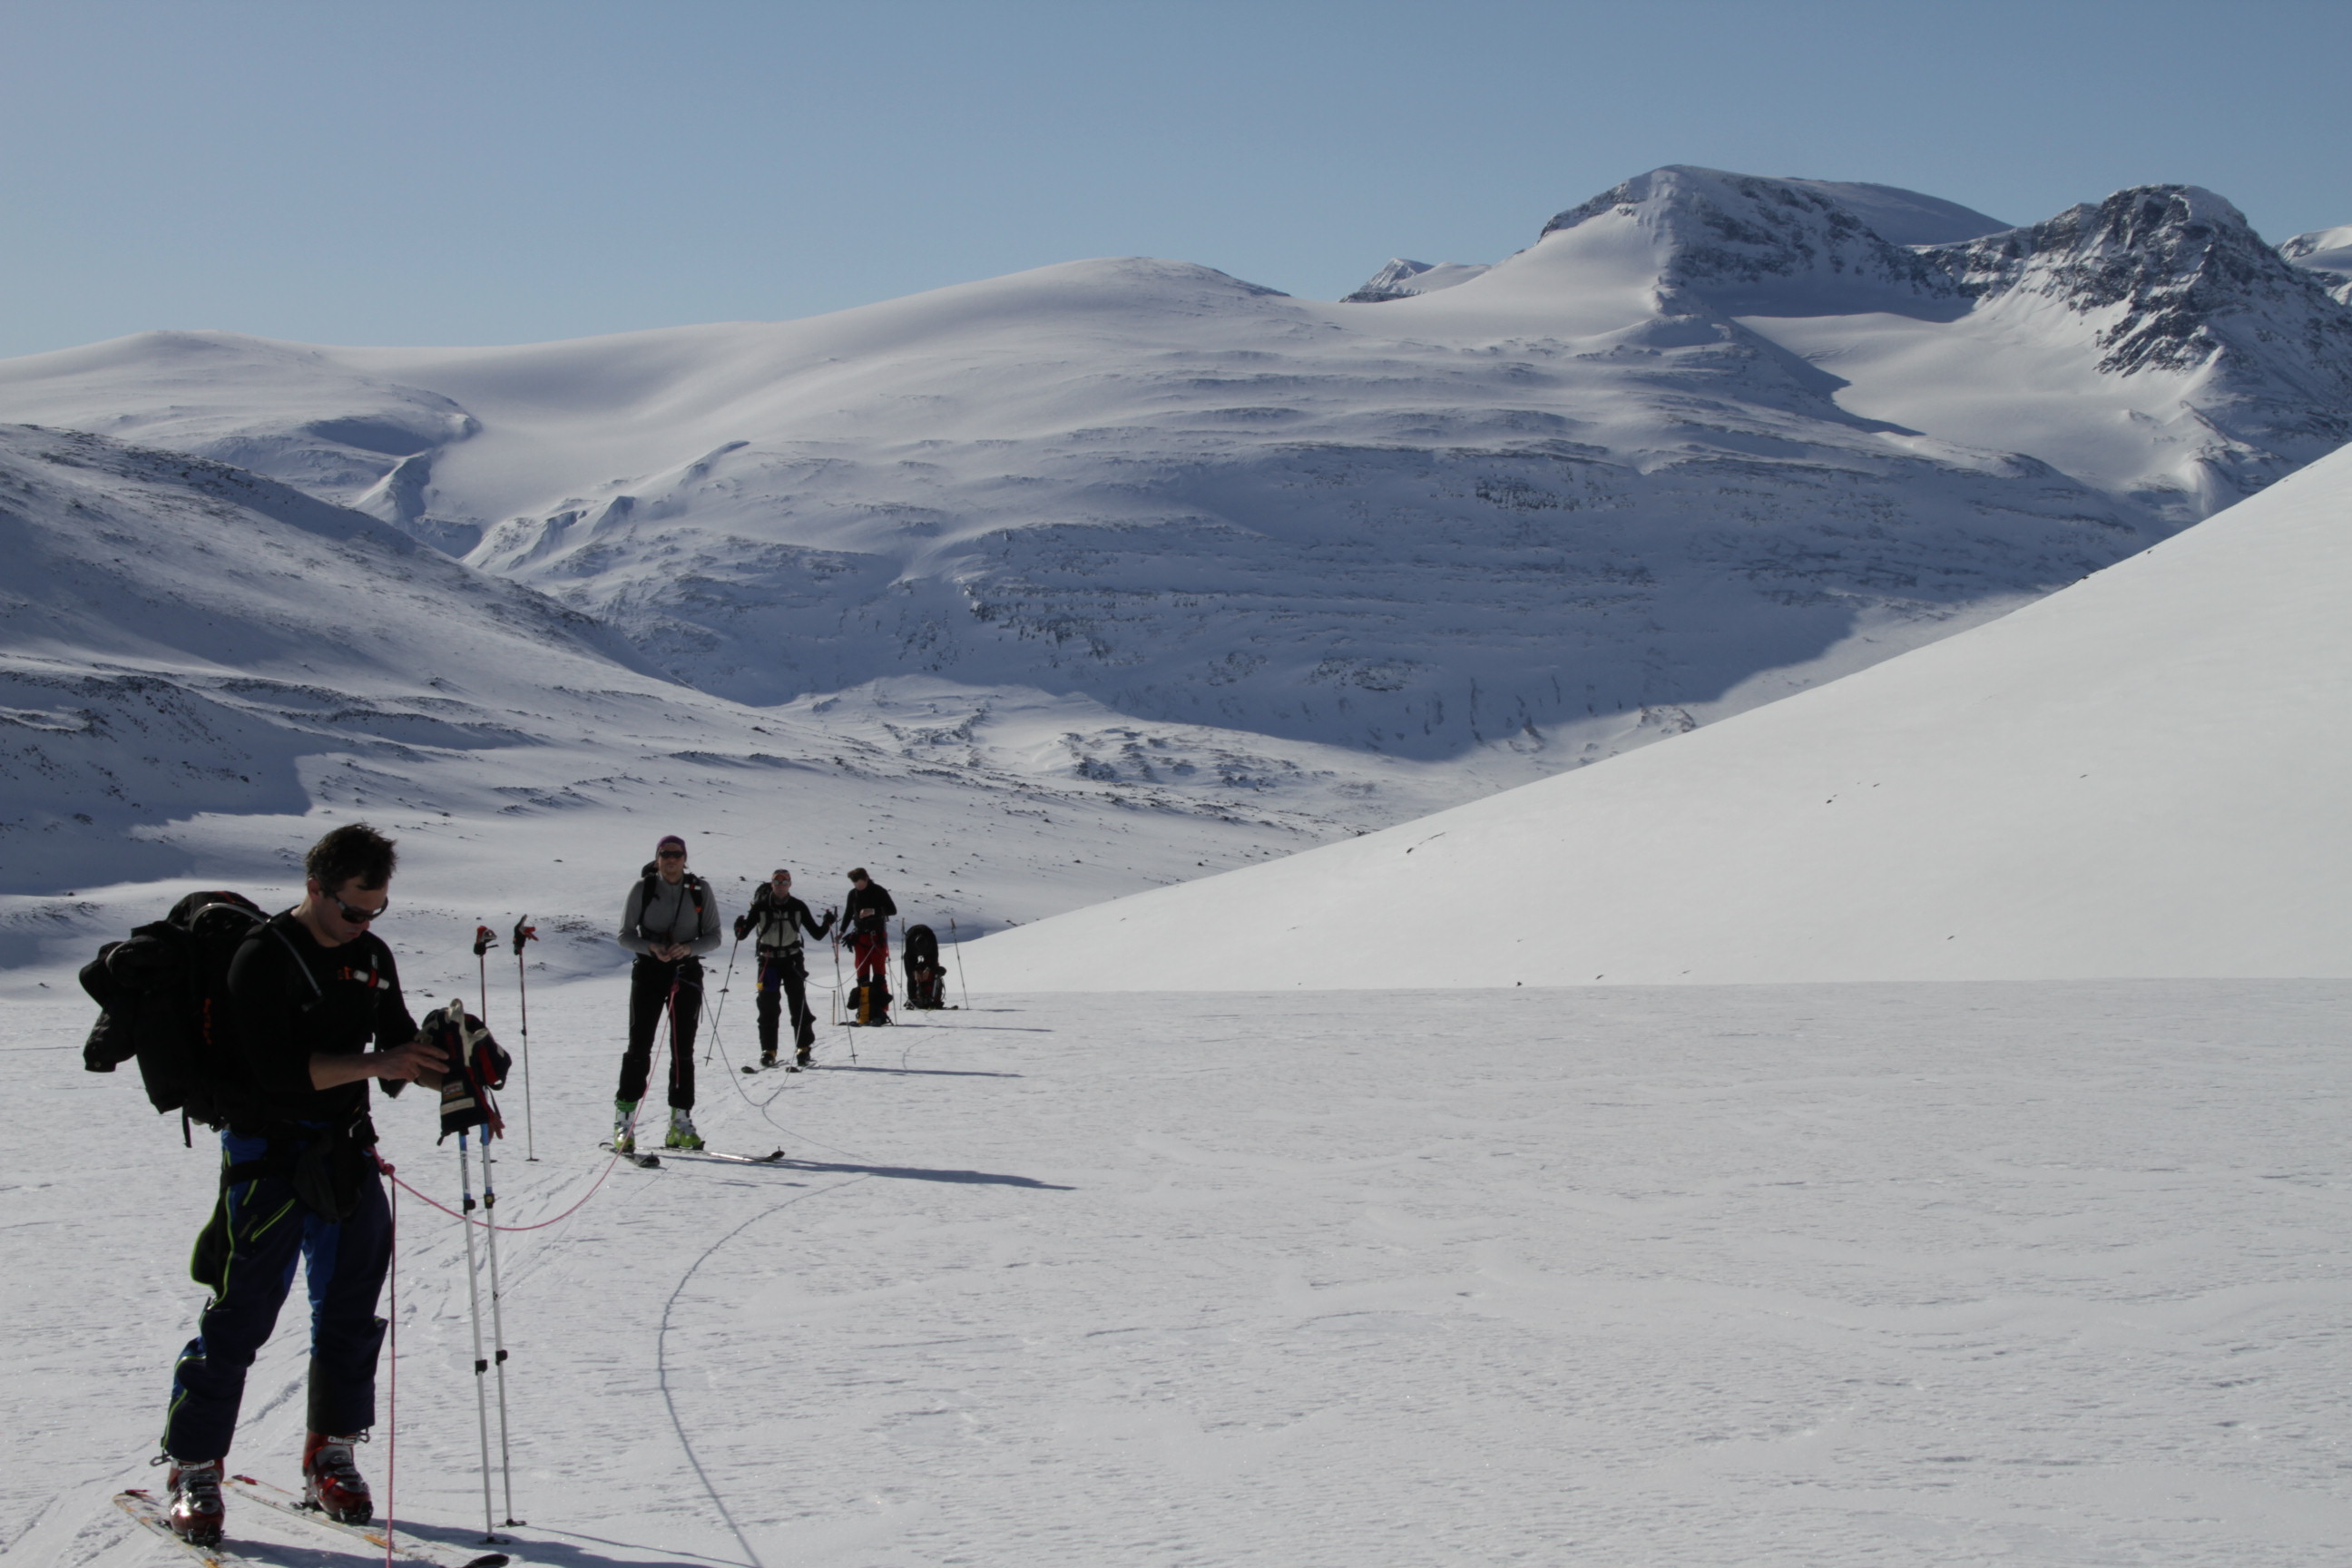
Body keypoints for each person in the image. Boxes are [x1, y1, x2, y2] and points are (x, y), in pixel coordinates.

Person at [157, 823, 448, 1547]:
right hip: (268, 1155)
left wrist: (449, 1056)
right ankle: (194, 1463)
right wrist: (380, 1065)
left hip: (344, 1152)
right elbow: (279, 1073)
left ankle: (331, 1451)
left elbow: (396, 1039)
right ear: (314, 889)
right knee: (242, 1314)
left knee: (350, 1308)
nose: (363, 925)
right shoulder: (263, 959)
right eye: (352, 909)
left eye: (376, 911)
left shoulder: (371, 956)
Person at [615, 834, 723, 1151]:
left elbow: (715, 936)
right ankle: (624, 1122)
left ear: (685, 857)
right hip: (649, 972)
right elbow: (624, 935)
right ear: (658, 857)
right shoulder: (643, 889)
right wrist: (650, 947)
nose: (671, 859)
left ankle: (680, 1121)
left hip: (685, 973)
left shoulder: (699, 889)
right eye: (665, 854)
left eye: (677, 854)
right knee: (639, 1047)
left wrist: (688, 948)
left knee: (683, 1050)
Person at [733, 868, 834, 1069]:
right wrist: (739, 927)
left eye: (784, 881)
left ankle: (803, 1049)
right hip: (769, 961)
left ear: (790, 884)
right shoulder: (761, 907)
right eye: (777, 881)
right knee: (768, 1007)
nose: (780, 885)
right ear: (772, 884)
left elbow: (816, 934)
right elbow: (742, 935)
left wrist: (827, 924)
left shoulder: (798, 906)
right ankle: (768, 1051)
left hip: (791, 961)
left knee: (798, 1006)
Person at [842, 867, 897, 1024]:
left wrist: (873, 911)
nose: (857, 887)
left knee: (879, 975)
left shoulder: (879, 891)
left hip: (877, 937)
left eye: (859, 883)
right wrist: (841, 931)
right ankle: (864, 1010)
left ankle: (880, 1011)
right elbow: (847, 913)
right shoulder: (853, 894)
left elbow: (892, 910)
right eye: (854, 883)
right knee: (862, 975)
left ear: (866, 879)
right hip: (860, 937)